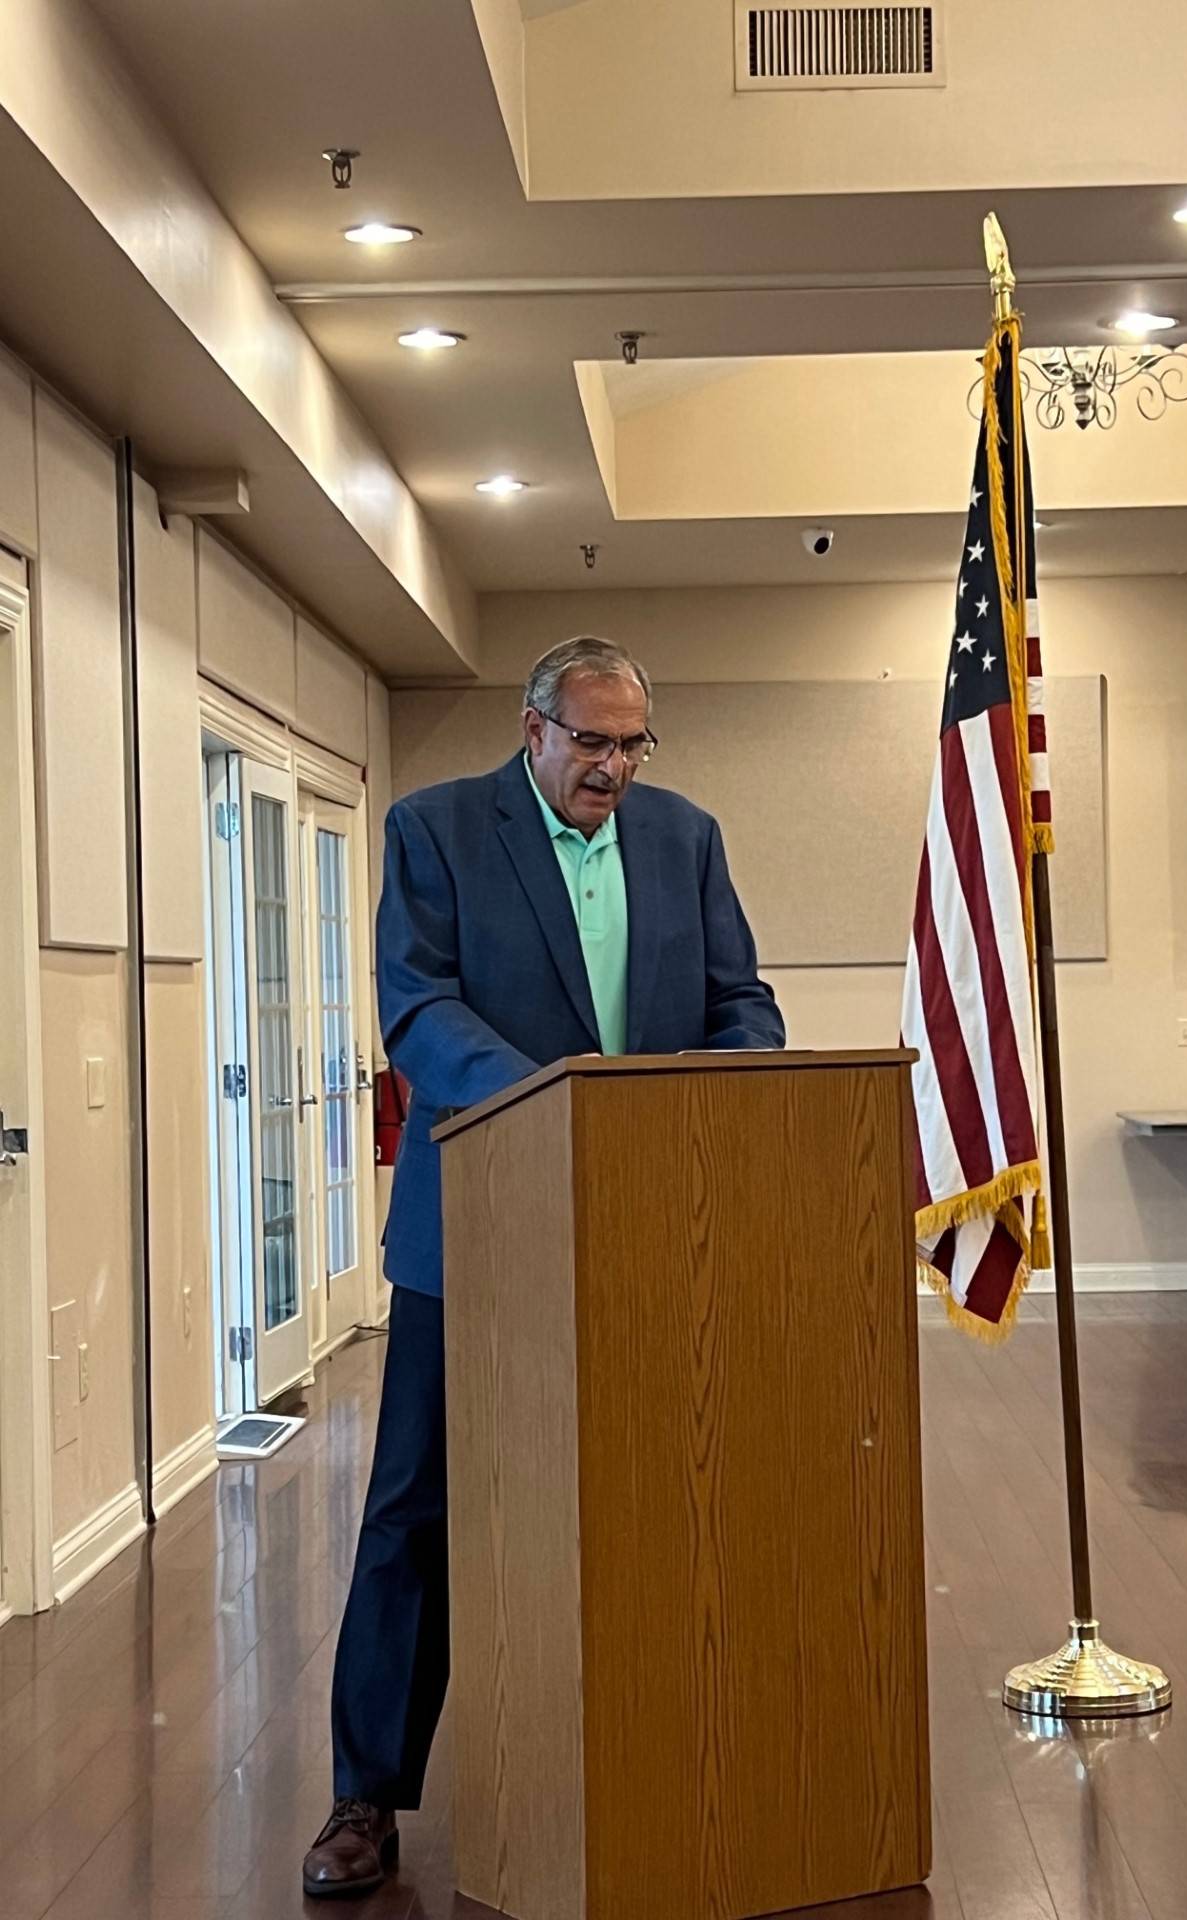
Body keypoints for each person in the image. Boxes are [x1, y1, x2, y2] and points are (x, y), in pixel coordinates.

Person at [303, 636, 785, 1897]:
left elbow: (742, 999)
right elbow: (418, 1010)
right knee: (419, 1512)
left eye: (633, 744)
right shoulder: (435, 829)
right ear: (533, 731)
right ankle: (366, 1794)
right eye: (592, 742)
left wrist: (738, 1084)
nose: (614, 767)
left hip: (652, 1232)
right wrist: (561, 1108)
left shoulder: (686, 838)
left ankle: (656, 1754)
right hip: (478, 1233)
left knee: (649, 1499)